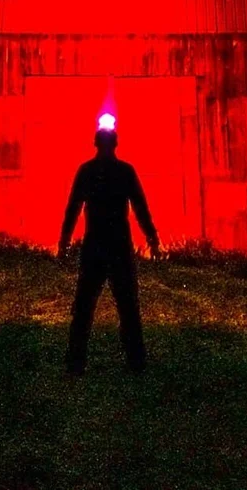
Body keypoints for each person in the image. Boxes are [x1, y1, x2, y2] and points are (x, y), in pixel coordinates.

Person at [58, 113, 160, 373]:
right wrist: (152, 237)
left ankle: (76, 363)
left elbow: (73, 208)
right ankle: (136, 362)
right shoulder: (125, 171)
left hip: (95, 246)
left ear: (96, 142)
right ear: (115, 142)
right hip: (119, 246)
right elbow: (140, 207)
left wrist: (64, 242)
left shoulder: (87, 171)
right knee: (128, 307)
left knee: (84, 307)